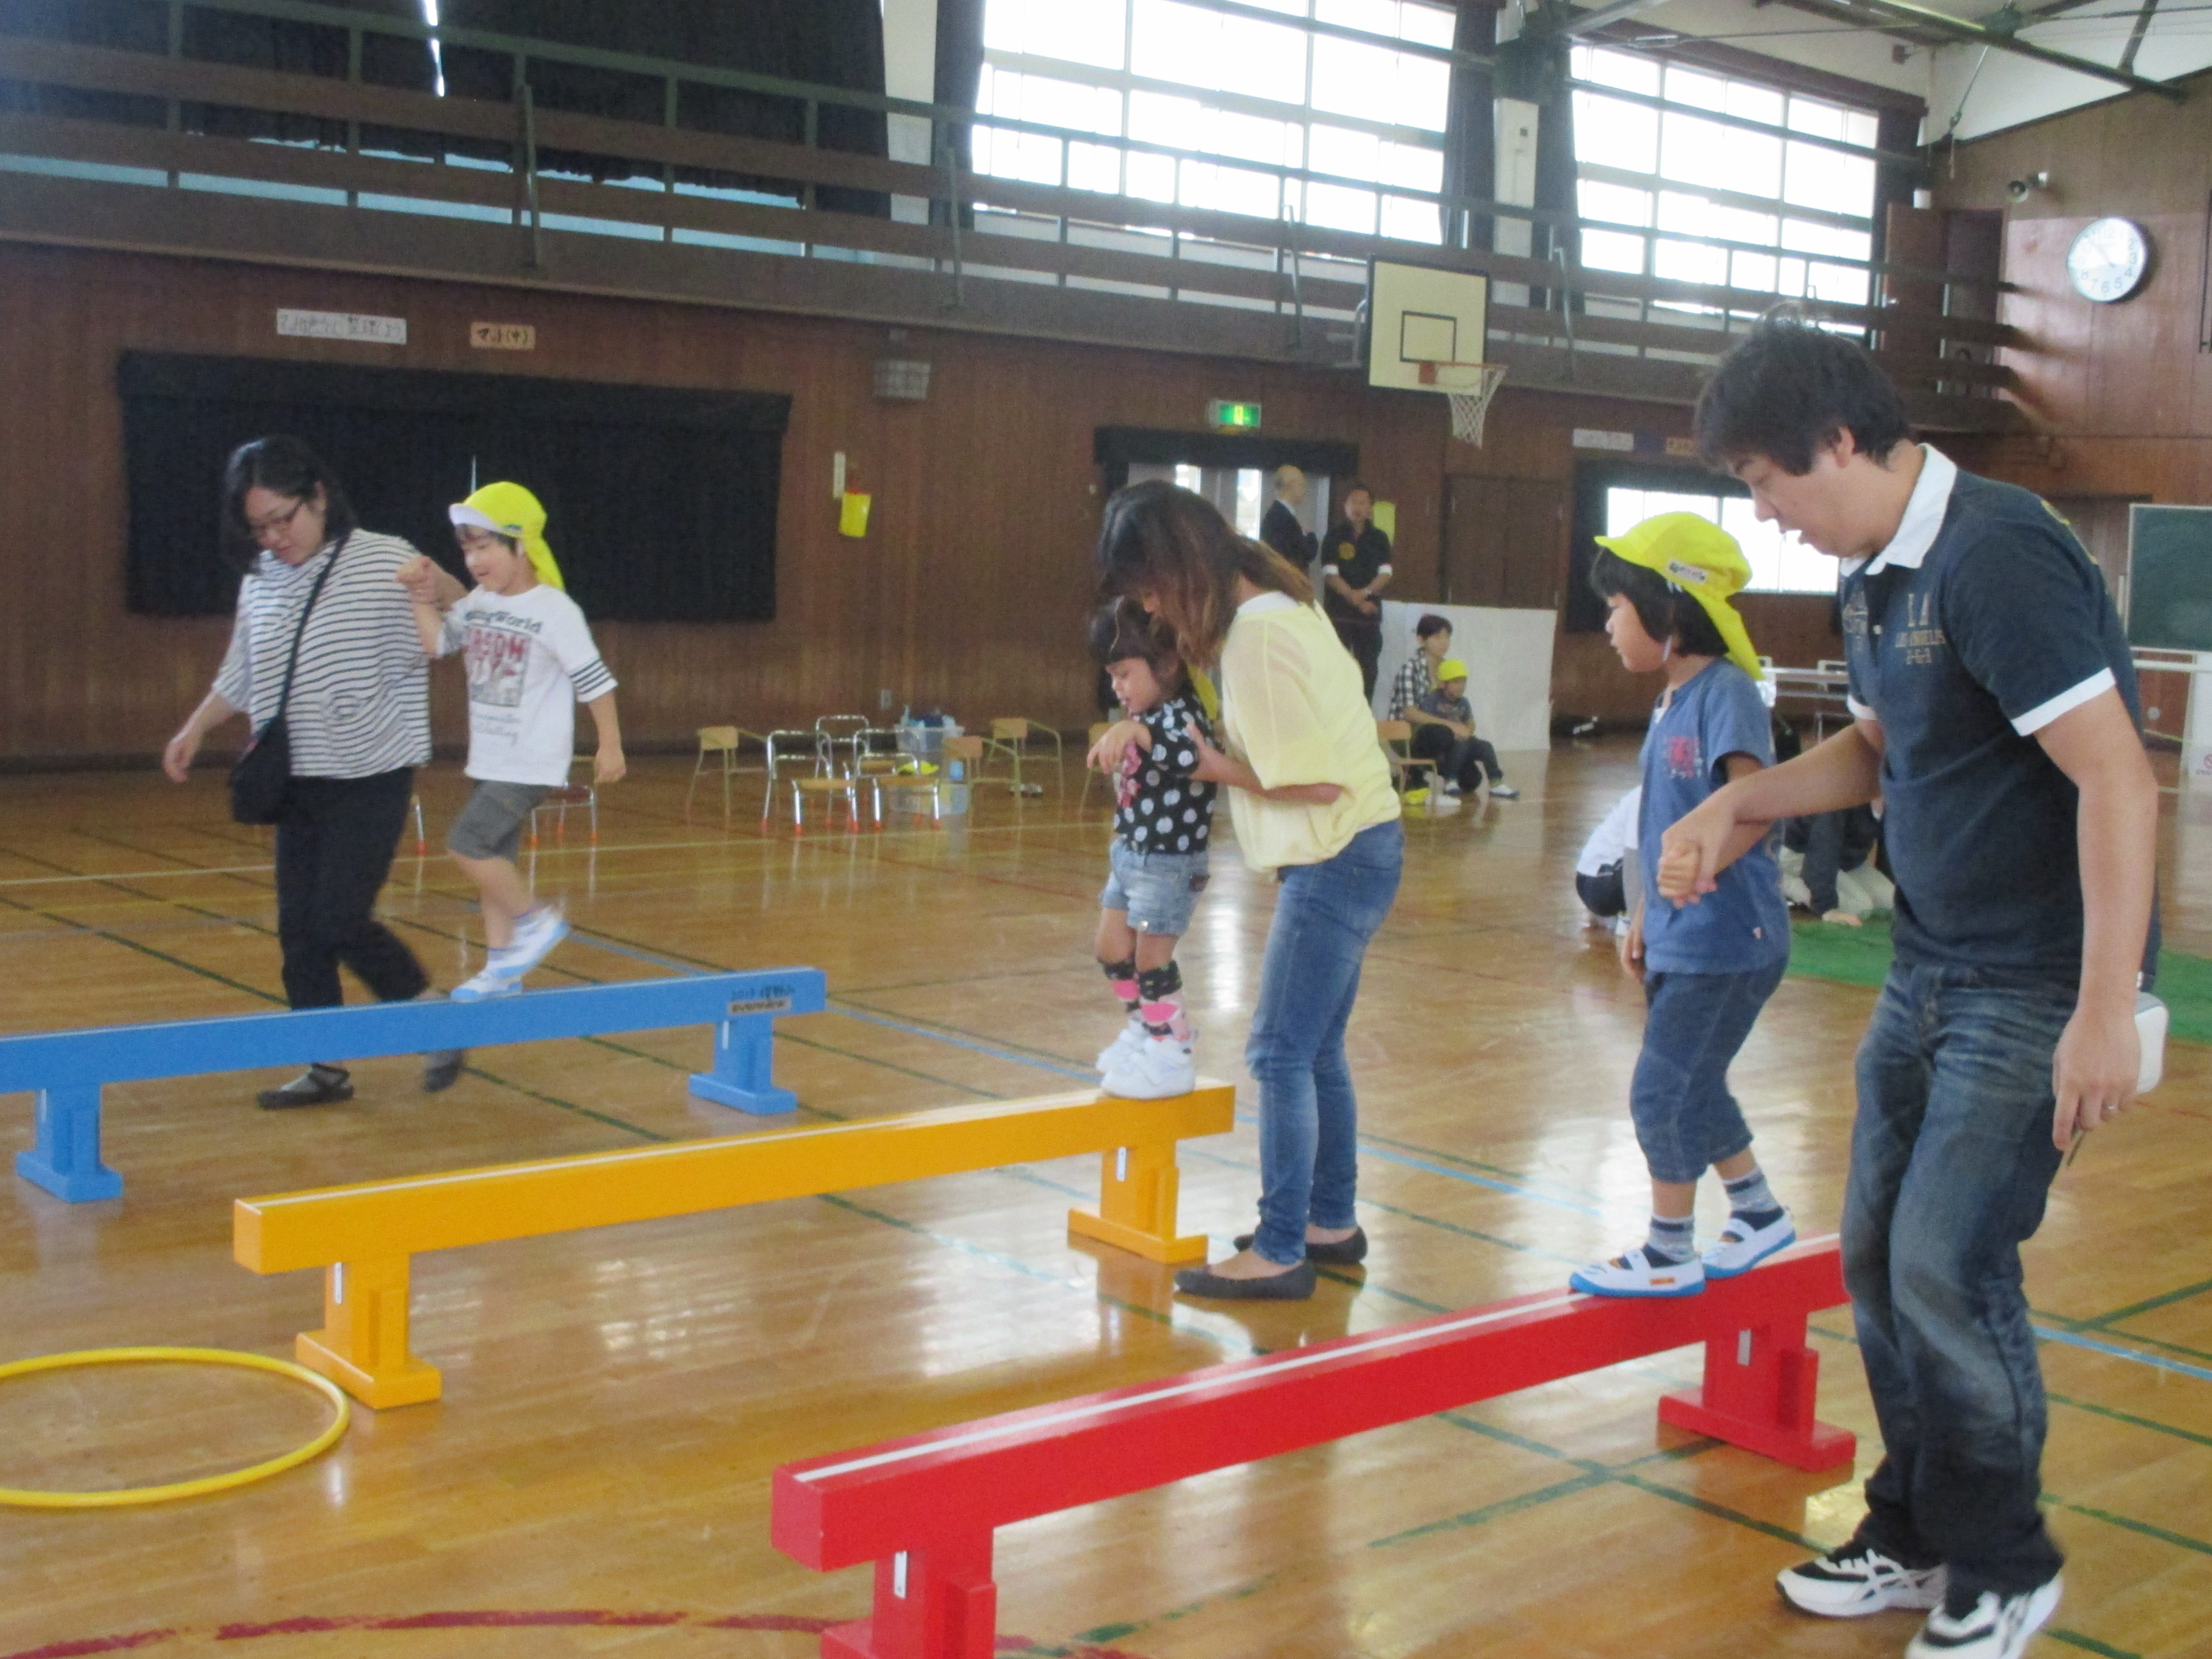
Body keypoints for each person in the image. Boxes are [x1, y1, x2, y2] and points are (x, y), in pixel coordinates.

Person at [1659, 317, 2157, 1659]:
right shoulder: (1875, 574)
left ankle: (2005, 1562)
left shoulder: (1997, 556)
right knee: (1878, 1259)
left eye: (1767, 481)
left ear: (1838, 441)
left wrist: (2104, 1005)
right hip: (1928, 964)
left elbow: (2116, 777)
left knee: (1946, 1259)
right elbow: (1885, 745)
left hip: (2033, 978)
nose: (1765, 513)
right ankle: (1917, 1527)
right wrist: (1744, 805)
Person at [1092, 481, 1403, 1302]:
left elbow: (1314, 782)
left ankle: (1278, 1249)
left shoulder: (1256, 639)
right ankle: (1328, 1222)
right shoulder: (1281, 601)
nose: (1150, 608)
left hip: (1337, 852)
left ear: (1180, 568)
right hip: (1362, 846)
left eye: (1150, 590)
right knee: (1316, 1048)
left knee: (1278, 1052)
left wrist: (1212, 766)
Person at [162, 436, 467, 1109]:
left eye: (284, 519)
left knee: (340, 920)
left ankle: (435, 1019)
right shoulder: (261, 580)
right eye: (259, 527)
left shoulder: (384, 559)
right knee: (299, 933)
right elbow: (241, 672)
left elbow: (462, 623)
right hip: (296, 780)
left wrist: (441, 585)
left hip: (370, 774)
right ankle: (325, 1068)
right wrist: (196, 727)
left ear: (319, 497)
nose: (274, 538)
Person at [1570, 513, 1794, 1300]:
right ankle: (1757, 1211)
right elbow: (1661, 822)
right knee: (1694, 1082)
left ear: (1667, 610)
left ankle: (1670, 1248)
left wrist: (1698, 874)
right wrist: (1644, 914)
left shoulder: (1725, 693)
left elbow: (1756, 807)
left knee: (1660, 1091)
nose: (1607, 624)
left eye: (1617, 608)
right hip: (1682, 932)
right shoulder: (1672, 699)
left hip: (1730, 940)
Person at [399, 483, 624, 1001]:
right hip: (491, 758)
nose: (474, 561)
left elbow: (595, 680)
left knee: (468, 844)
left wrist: (610, 744)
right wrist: (419, 597)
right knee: (493, 863)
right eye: (467, 550)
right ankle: (502, 969)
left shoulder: (555, 610)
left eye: (485, 547)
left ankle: (536, 921)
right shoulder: (480, 603)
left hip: (530, 761)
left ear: (521, 546)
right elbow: (438, 643)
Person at [1087, 600, 1220, 1099]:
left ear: (1164, 665)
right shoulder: (1142, 714)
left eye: (1124, 674)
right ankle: (1145, 1026)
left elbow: (1189, 756)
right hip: (1130, 854)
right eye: (1112, 677)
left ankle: (1173, 1049)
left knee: (1152, 962)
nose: (1117, 688)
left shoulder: (1184, 714)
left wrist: (1137, 732)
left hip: (1170, 863)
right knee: (1111, 950)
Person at [1407, 657, 1519, 799]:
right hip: (1446, 744)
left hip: (1462, 739)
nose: (1461, 686)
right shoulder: (1433, 699)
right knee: (1459, 746)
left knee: (1486, 747)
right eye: (1456, 682)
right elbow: (1428, 726)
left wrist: (1468, 732)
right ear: (1443, 684)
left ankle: (1496, 782)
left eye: (1463, 682)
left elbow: (1470, 722)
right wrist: (1452, 730)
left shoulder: (1464, 702)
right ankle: (1451, 780)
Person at [1322, 481, 1393, 701]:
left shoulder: (1380, 538)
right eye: (1353, 502)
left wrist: (1365, 593)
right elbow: (1330, 574)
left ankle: (1364, 712)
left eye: (1363, 503)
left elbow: (1385, 574)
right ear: (1345, 506)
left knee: (1368, 669)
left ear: (1371, 509)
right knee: (1337, 667)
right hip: (1340, 614)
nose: (1357, 507)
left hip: (1369, 615)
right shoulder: (1334, 536)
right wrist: (1355, 598)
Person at [1782, 802, 1887, 924]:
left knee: (1889, 901)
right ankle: (1778, 879)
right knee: (1860, 906)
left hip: (1843, 861)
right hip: (1801, 854)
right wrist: (1826, 908)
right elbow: (1823, 848)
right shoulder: (1838, 804)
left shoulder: (1893, 802)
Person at [1576, 786, 1640, 926]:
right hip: (1596, 880)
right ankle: (1630, 917)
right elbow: (1634, 856)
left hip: (1609, 874)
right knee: (1651, 863)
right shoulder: (1643, 797)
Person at [1387, 612, 1452, 722]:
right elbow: (1410, 714)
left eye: (1447, 637)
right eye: (1437, 638)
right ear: (1421, 640)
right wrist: (1449, 725)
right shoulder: (1410, 669)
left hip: (1439, 728)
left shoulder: (1449, 669)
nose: (1444, 642)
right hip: (1408, 729)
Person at [1258, 465, 1317, 570]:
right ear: (1292, 485)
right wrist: (1310, 536)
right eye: (1302, 485)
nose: (1305, 491)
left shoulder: (1277, 514)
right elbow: (1306, 553)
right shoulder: (1283, 519)